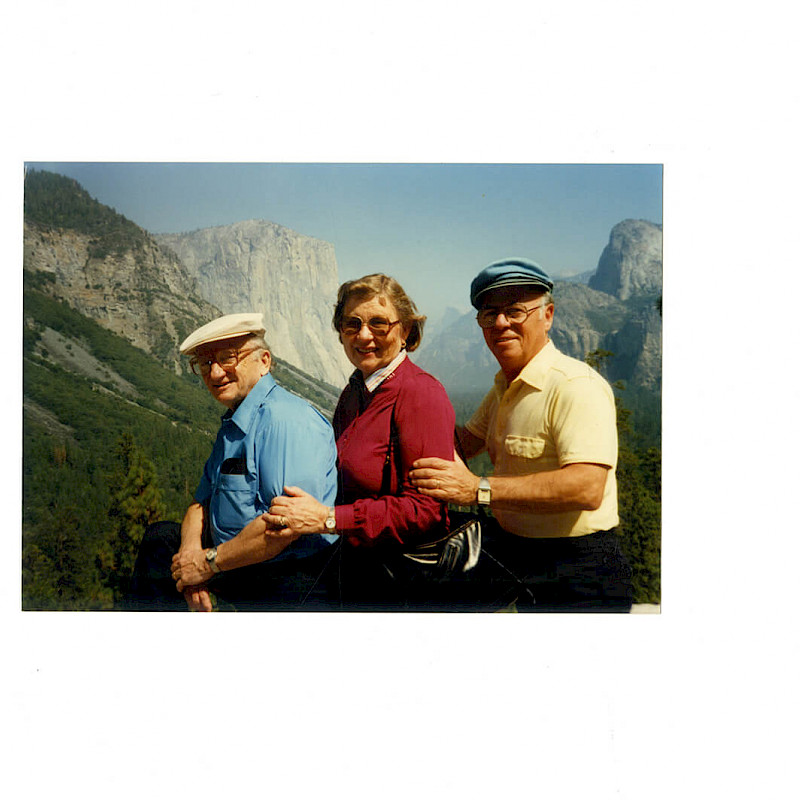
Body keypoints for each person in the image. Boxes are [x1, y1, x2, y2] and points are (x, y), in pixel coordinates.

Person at [409, 258, 633, 612]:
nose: (500, 323)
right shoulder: (505, 386)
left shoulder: (576, 386)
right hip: (517, 553)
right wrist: (404, 407)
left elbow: (587, 487)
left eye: (515, 311)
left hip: (579, 567)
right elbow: (462, 443)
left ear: (548, 316)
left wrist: (477, 490)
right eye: (489, 314)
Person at [264, 274, 456, 610]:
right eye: (352, 324)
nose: (364, 335)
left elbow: (426, 512)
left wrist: (329, 518)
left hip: (398, 584)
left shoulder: (420, 394)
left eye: (379, 324)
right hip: (353, 567)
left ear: (406, 331)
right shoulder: (356, 391)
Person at [127, 312, 338, 611]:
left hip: (283, 574)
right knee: (161, 541)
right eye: (205, 363)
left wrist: (208, 564)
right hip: (237, 561)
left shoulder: (286, 421)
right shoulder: (236, 421)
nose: (214, 374)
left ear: (264, 361)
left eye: (228, 358)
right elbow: (200, 503)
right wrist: (189, 558)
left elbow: (281, 529)